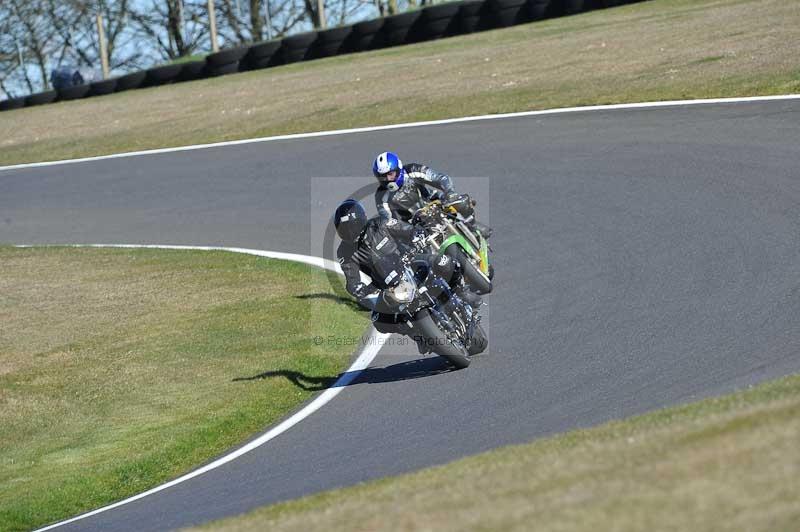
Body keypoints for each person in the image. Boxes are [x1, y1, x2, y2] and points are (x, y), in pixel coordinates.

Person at [333, 199, 481, 310]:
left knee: (445, 262)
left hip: (409, 260)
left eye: (352, 227)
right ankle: (419, 335)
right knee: (379, 321)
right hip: (385, 285)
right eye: (344, 229)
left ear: (361, 221)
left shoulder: (380, 224)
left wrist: (416, 235)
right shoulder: (344, 252)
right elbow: (351, 277)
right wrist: (357, 288)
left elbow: (407, 229)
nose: (350, 232)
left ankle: (462, 291)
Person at [371, 151, 492, 237]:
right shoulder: (381, 196)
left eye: (390, 174)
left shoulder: (412, 170)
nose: (388, 179)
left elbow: (440, 178)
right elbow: (388, 222)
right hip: (414, 226)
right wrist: (405, 230)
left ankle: (473, 226)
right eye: (383, 176)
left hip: (433, 203)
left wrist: (450, 192)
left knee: (461, 202)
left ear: (398, 169)